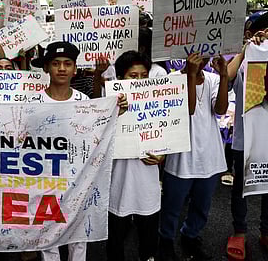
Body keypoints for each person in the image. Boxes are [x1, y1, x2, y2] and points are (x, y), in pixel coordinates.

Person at [30, 41, 127, 261]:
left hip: (78, 178)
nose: (61, 68)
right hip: (44, 177)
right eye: (55, 63)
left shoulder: (84, 101)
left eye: (67, 63)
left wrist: (115, 112)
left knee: (78, 233)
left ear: (75, 68)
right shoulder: (32, 102)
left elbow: (97, 131)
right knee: (47, 232)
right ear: (46, 68)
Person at [159, 53, 228, 261]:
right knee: (172, 203)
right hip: (180, 156)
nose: (201, 60)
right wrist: (190, 75)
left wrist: (224, 76)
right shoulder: (171, 80)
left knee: (202, 204)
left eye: (205, 56)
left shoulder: (213, 79)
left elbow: (221, 109)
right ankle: (166, 241)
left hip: (209, 154)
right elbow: (187, 109)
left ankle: (190, 235)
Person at [226, 13, 268, 260]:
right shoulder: (249, 57)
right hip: (245, 139)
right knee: (240, 187)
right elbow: (226, 80)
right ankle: (240, 231)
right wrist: (246, 50)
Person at [107, 51, 163, 261]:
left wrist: (162, 158)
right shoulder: (108, 105)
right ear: (120, 79)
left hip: (147, 186)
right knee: (115, 241)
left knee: (149, 243)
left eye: (143, 76)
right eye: (133, 76)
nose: (139, 81)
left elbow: (167, 139)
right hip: (117, 186)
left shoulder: (158, 102)